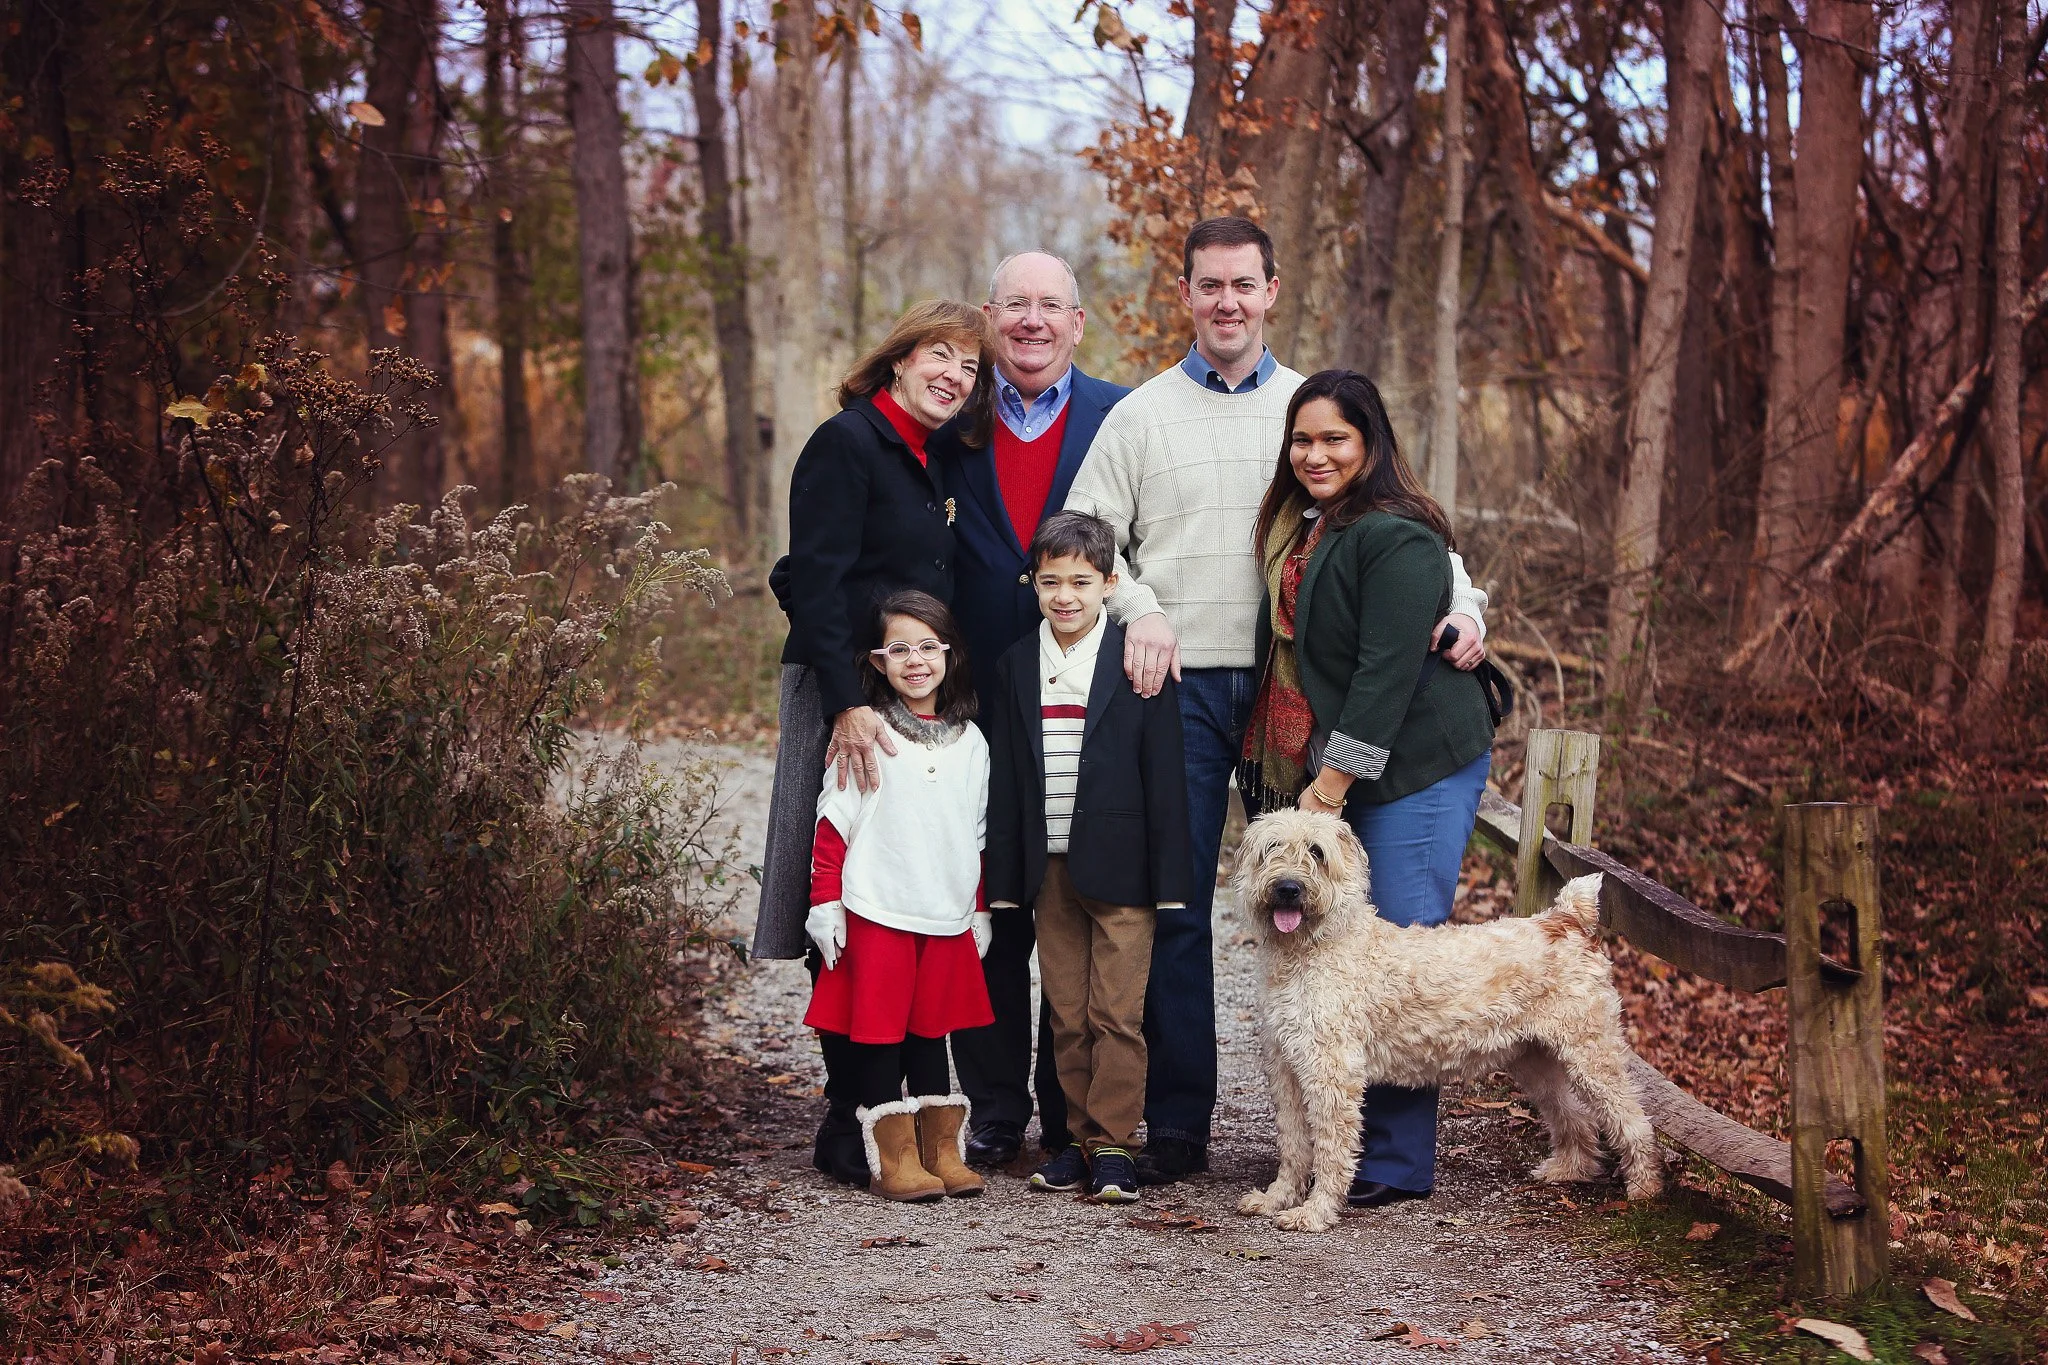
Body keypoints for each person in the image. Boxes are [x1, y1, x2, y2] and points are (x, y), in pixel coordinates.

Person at [1063, 216, 1490, 1187]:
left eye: (1241, 284)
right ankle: (1176, 1127)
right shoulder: (1138, 416)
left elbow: (1412, 538)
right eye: (1207, 284)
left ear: (1270, 290)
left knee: (1314, 907)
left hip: (1282, 699)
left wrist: (1462, 606)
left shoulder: (1308, 412)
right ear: (1184, 294)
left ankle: (1344, 1147)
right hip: (1166, 684)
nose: (1225, 301)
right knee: (1177, 908)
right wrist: (1141, 611)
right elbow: (1087, 542)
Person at [755, 300, 996, 1186]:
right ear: (896, 360)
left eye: (970, 367)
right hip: (842, 690)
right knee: (844, 898)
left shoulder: (934, 459)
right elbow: (809, 579)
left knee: (905, 885)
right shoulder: (847, 442)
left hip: (905, 687)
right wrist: (843, 703)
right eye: (940, 355)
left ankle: (886, 1115)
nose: (954, 376)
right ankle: (854, 1111)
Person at [1243, 369, 1497, 1207]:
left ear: (1371, 444)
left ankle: (1389, 1162)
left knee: (1397, 956)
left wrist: (1327, 787)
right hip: (1354, 758)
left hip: (1416, 758)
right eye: (1303, 439)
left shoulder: (1398, 535)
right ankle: (1338, 1149)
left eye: (1335, 439)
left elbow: (1387, 675)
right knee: (1346, 962)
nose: (1315, 454)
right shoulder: (1312, 526)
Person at [931, 250, 1132, 1169]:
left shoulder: (1121, 416)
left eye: (1052, 306)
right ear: (989, 315)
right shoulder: (949, 417)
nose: (1033, 322)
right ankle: (998, 1106)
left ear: (1078, 322)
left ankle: (1075, 1113)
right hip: (971, 696)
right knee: (992, 910)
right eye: (1016, 305)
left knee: (1075, 903)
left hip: (1087, 696)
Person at [984, 512, 1190, 1204]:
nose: (1065, 595)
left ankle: (1114, 1144)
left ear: (1109, 582)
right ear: (1033, 584)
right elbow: (1008, 778)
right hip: (1050, 869)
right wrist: (1007, 880)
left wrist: (1170, 879)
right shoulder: (1015, 663)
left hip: (1123, 867)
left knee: (1117, 1014)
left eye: (1080, 581)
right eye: (1050, 582)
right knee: (1066, 1011)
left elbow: (1165, 773)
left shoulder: (1136, 657)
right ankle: (1072, 1140)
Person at [803, 591, 995, 1202]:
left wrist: (980, 909)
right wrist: (825, 903)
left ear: (950, 655)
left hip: (944, 912)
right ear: (878, 661)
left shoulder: (972, 743)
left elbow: (978, 834)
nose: (915, 661)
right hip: (877, 907)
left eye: (928, 647)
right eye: (899, 649)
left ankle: (941, 1150)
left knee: (931, 1032)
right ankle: (895, 1158)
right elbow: (833, 823)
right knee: (882, 1032)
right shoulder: (865, 734)